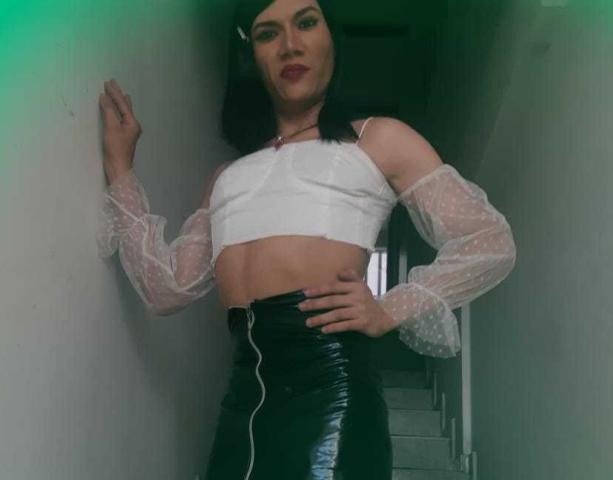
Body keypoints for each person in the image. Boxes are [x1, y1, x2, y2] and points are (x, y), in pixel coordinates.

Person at [96, 0, 517, 478]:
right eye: (267, 33)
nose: (290, 45)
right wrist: (120, 167)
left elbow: (488, 239)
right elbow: (167, 287)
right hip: (243, 399)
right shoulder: (228, 176)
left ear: (331, 38)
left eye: (306, 23)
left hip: (332, 391)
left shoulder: (377, 140)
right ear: (251, 55)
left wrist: (389, 308)